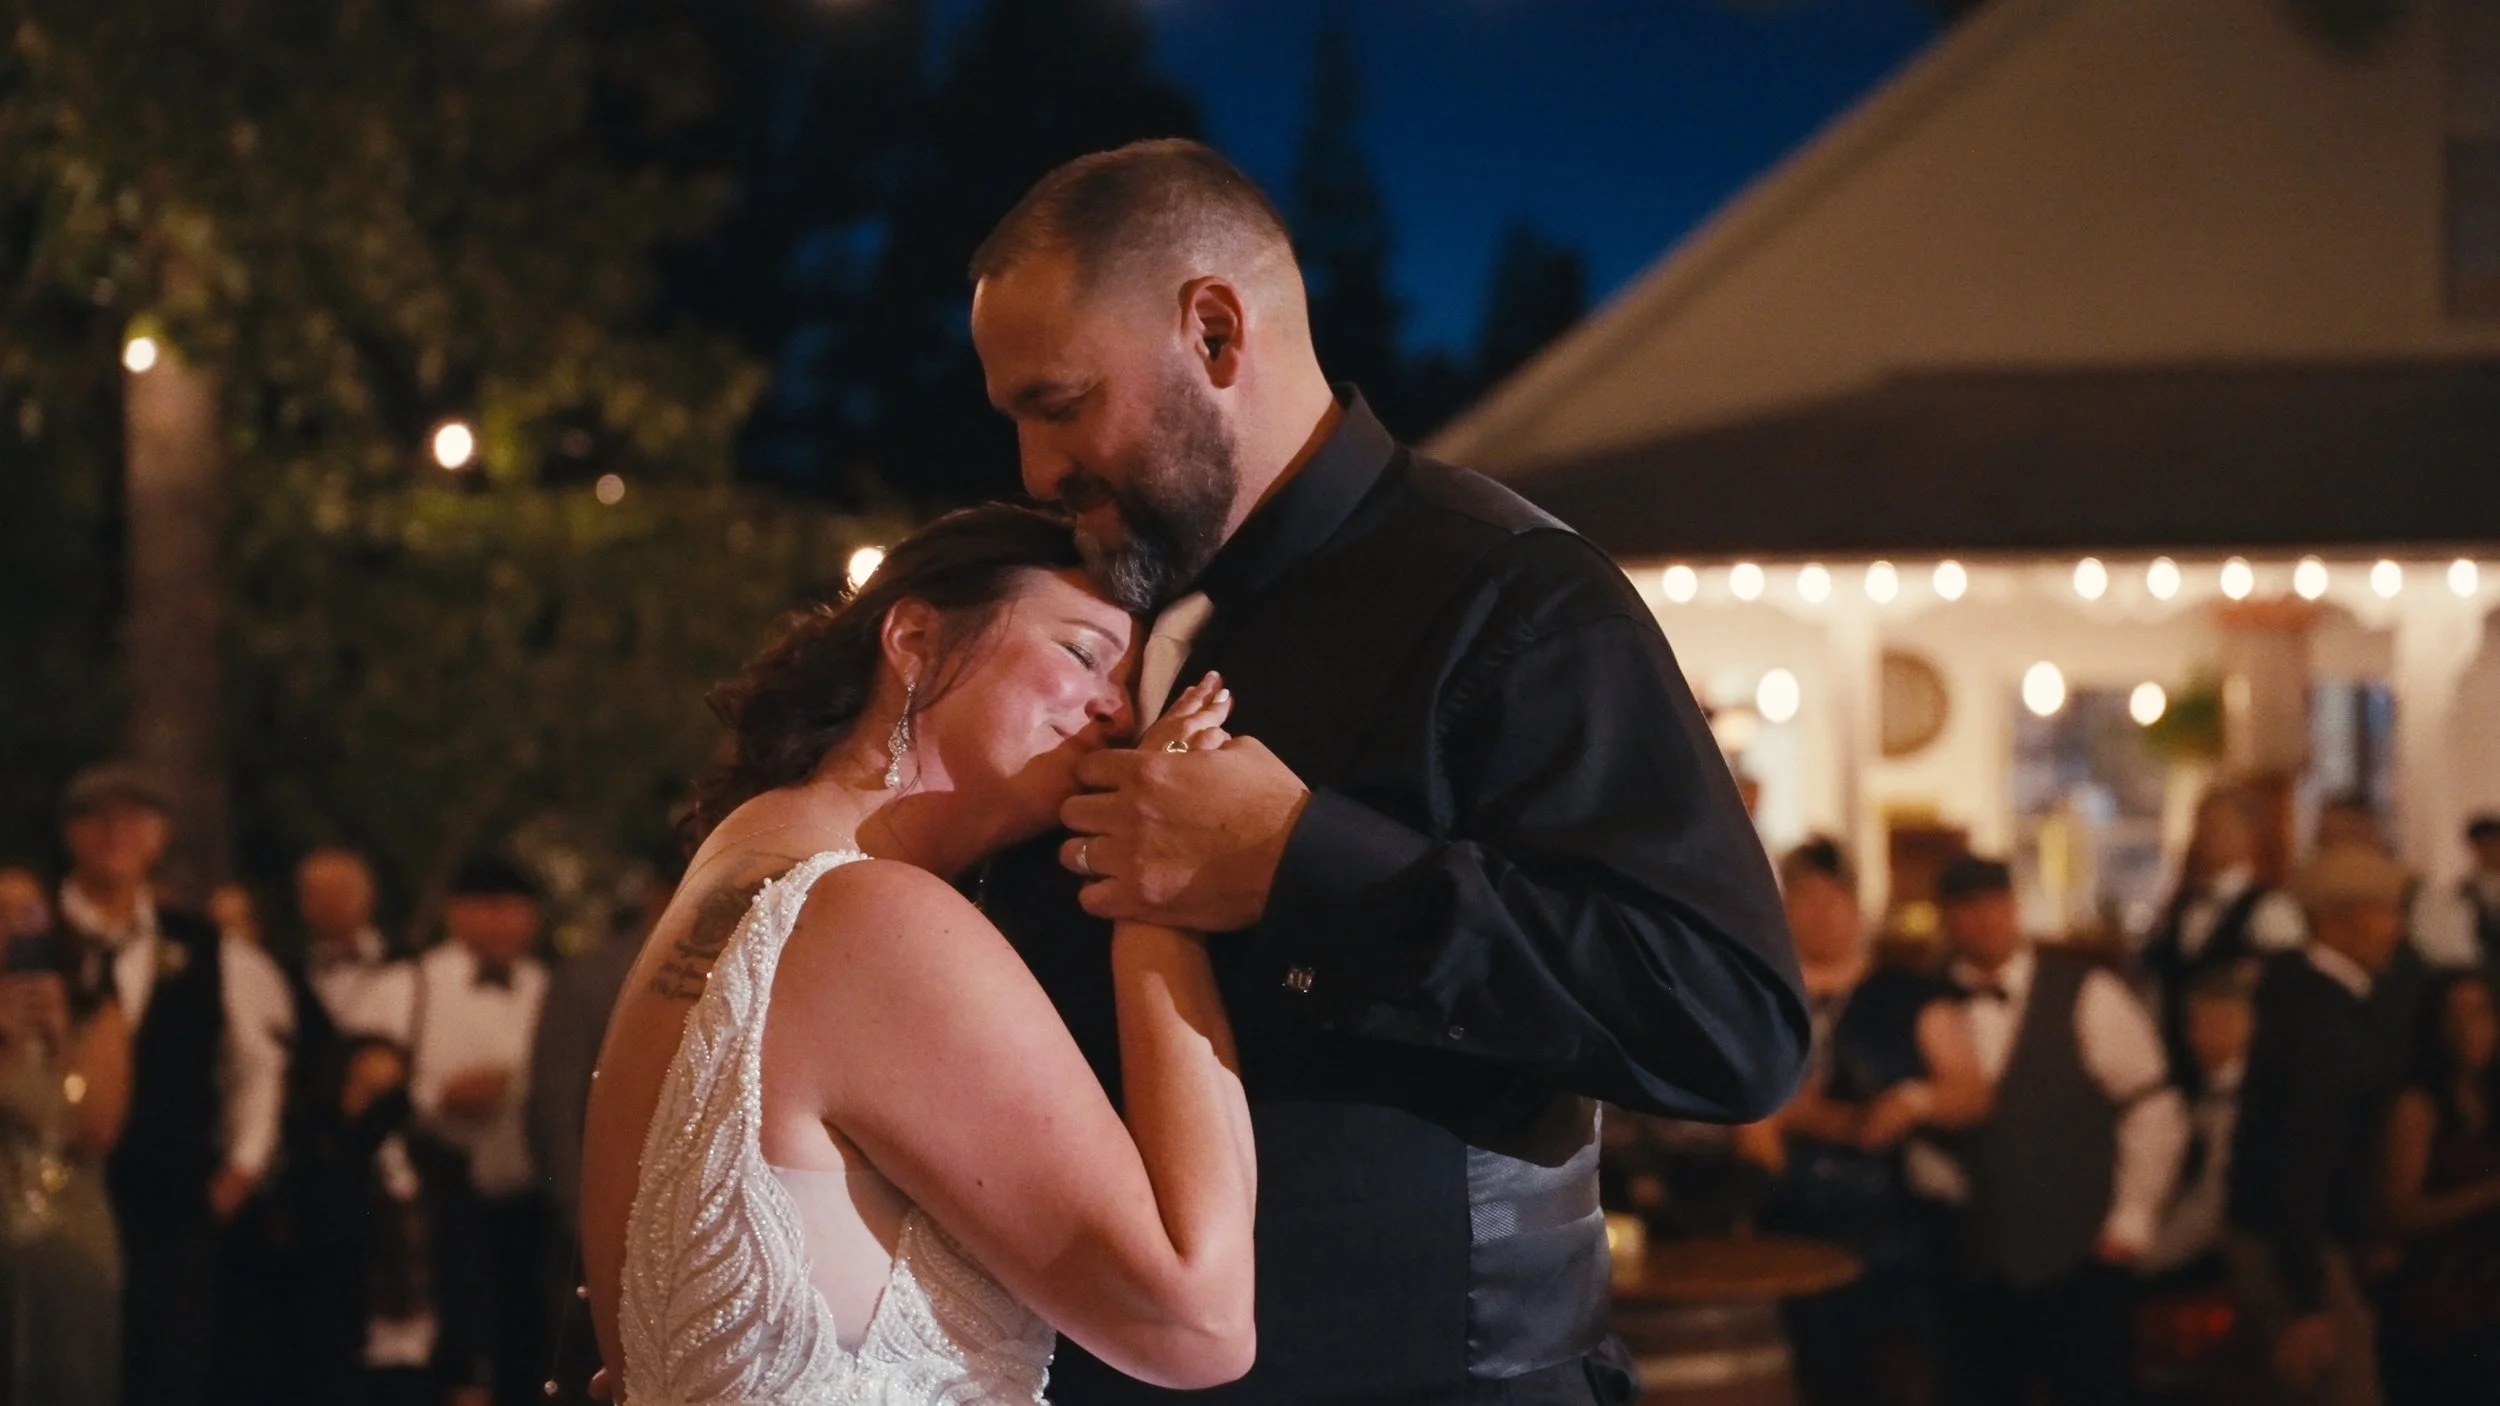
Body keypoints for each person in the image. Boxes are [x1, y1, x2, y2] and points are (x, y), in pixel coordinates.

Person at [969, 138, 1804, 1406]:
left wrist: (1300, 865)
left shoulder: (1512, 595)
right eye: (1018, 419)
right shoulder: (1096, 597)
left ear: (1213, 332)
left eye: (1062, 402)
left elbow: (1730, 1021)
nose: (1038, 469)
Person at [578, 505, 1259, 1404]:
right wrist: (1152, 883)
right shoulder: (867, 914)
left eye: (1129, 684)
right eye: (1082, 652)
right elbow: (1200, 1323)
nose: (1118, 709)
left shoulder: (742, 858)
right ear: (914, 639)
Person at [51, 762, 296, 1406]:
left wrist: (241, 1169)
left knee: (166, 1373)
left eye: (134, 820)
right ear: (71, 832)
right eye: (99, 818)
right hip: (52, 1200)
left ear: (159, 837)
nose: (116, 834)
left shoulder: (204, 944)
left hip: (171, 1204)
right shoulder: (31, 935)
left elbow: (256, 1065)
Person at [1914, 855, 2186, 1406]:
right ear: (1947, 919)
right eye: (1967, 908)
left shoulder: (2087, 992)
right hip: (1975, 1262)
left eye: (1995, 904)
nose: (1984, 920)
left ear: (2014, 908)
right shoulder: (1926, 1001)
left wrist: (2131, 1219)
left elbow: (2152, 1107)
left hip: (2083, 1254)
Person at [1736, 838, 1987, 1406]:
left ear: (1856, 906)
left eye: (1834, 898)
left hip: (1896, 1237)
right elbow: (1751, 1123)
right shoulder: (1762, 1003)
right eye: (1805, 899)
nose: (1821, 913)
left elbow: (1970, 1092)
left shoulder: (1909, 996)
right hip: (1789, 1229)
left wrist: (1914, 1101)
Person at [2225, 846, 2412, 1406]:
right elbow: (2302, 1157)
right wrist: (2308, 1298)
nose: (2395, 930)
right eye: (2383, 913)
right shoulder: (2324, 1022)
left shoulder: (2307, 998)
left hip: (2290, 1240)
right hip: (2295, 1248)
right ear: (2337, 921)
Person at [410, 855, 550, 1406]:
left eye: (519, 910)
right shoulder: (415, 982)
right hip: (442, 1189)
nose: (508, 922)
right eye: (494, 908)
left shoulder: (546, 985)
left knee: (524, 1333)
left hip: (526, 1187)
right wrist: (439, 1099)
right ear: (458, 913)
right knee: (453, 1338)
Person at [0, 865, 132, 1406]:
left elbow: (95, 1129)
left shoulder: (92, 1012)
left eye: (25, 912)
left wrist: (61, 1047)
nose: (11, 927)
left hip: (69, 1238)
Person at [2372, 970, 2500, 1405]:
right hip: (2439, 1301)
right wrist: (2488, 1194)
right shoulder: (2417, 1103)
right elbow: (2398, 1213)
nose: (2469, 1029)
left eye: (2481, 1014)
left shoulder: (2487, 1096)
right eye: (2455, 1016)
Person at [2139, 789, 2304, 1091]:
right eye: (2201, 826)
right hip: (2175, 1063)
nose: (2205, 838)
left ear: (2249, 837)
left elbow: (2285, 991)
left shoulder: (2270, 909)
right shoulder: (2178, 906)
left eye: (2218, 828)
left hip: (2245, 1076)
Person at [2140, 965, 2257, 1281]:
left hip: (2213, 1264)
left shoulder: (2238, 1103)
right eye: (2193, 1022)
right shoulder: (2205, 1090)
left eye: (2211, 1022)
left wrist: (2144, 1258)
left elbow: (2211, 1206)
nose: (2196, 1035)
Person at [299, 848, 412, 1040]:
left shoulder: (409, 963)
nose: (328, 902)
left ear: (369, 892)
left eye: (339, 890)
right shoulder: (288, 976)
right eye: (317, 892)